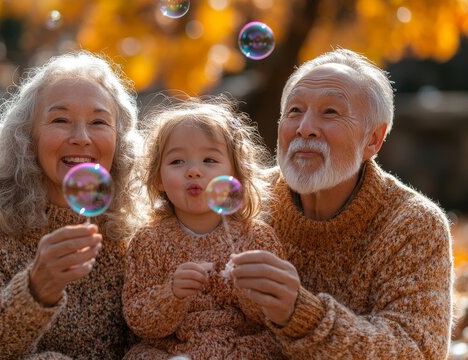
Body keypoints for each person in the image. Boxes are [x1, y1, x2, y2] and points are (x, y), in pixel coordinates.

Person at [229, 48, 453, 358]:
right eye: (294, 111)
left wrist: (301, 314)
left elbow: (415, 351)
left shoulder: (412, 224)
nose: (305, 127)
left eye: (330, 112)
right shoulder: (245, 199)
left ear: (373, 139)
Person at [0, 51, 143, 359]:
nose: (81, 137)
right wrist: (36, 289)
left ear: (119, 140)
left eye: (99, 122)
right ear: (27, 137)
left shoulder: (134, 235)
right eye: (60, 120)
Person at [122, 97, 285, 359]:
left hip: (240, 347)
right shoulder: (148, 241)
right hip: (175, 349)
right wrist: (171, 293)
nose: (194, 171)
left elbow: (274, 316)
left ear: (235, 174)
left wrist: (250, 291)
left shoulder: (256, 236)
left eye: (209, 160)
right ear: (158, 178)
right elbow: (139, 320)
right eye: (177, 162)